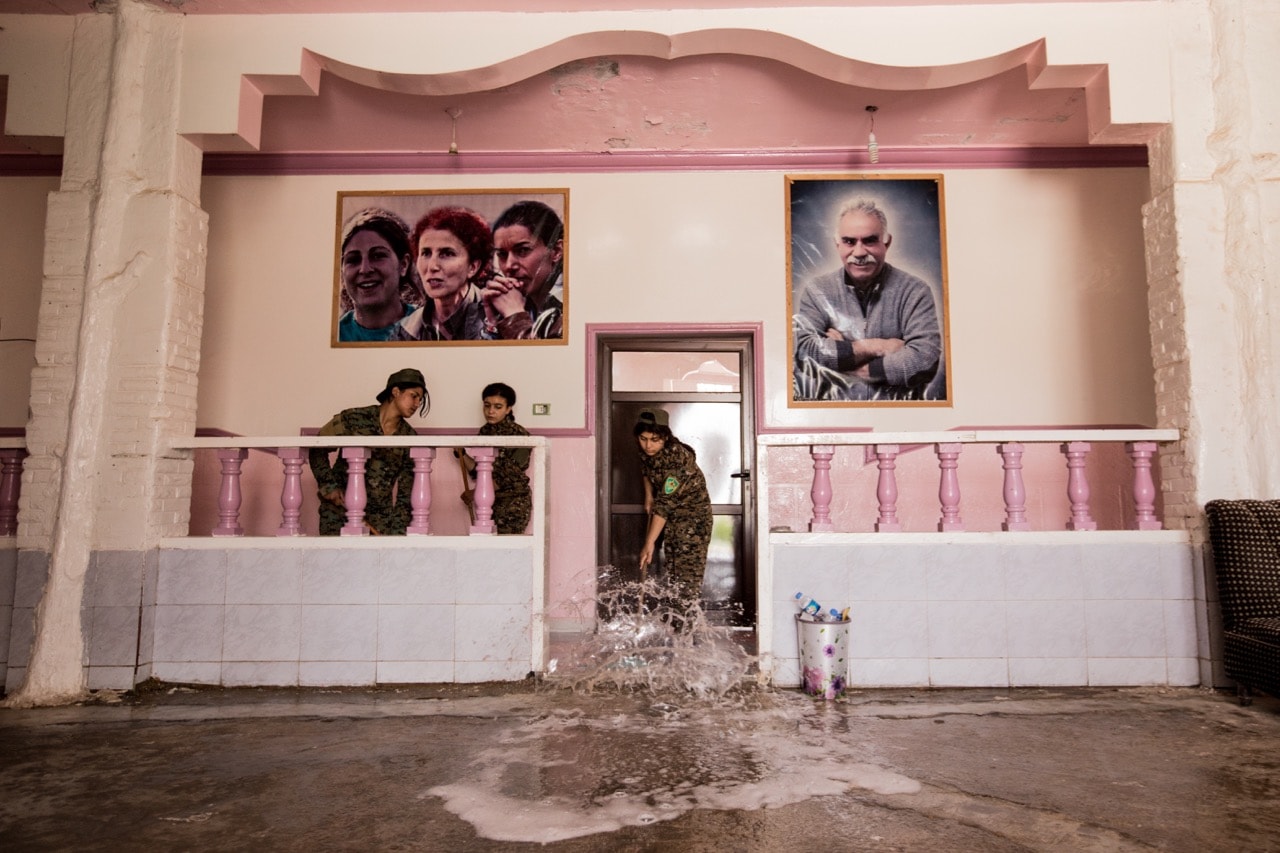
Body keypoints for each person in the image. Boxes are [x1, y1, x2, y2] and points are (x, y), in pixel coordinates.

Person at [792, 197, 942, 401]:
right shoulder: (817, 291)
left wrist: (845, 360)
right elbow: (805, 352)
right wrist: (877, 346)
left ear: (886, 243)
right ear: (838, 244)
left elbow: (924, 360)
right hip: (832, 419)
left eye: (870, 240)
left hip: (901, 418)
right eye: (849, 241)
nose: (860, 252)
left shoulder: (915, 291)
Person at [308, 368, 429, 536]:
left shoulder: (409, 437)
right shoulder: (354, 418)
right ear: (395, 391)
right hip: (338, 513)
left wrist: (397, 534)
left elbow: (406, 493)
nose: (417, 404)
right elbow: (317, 448)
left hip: (379, 520)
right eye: (413, 396)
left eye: (420, 400)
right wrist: (328, 485)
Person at [635, 407, 713, 607]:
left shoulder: (678, 459)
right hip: (672, 519)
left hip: (693, 521)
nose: (648, 446)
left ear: (665, 437)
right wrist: (648, 495)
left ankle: (686, 633)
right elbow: (646, 468)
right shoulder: (648, 452)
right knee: (675, 575)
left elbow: (664, 505)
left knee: (687, 581)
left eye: (654, 440)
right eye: (643, 439)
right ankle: (676, 627)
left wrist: (649, 543)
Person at [394, 206, 492, 341]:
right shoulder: (405, 331)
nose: (432, 266)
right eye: (426, 253)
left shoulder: (497, 317)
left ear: (472, 267)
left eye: (447, 253)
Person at [481, 200, 565, 340]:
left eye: (523, 250)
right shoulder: (516, 302)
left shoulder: (575, 305)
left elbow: (544, 359)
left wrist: (514, 316)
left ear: (556, 251)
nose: (509, 266)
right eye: (502, 254)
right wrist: (494, 324)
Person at [336, 208, 423, 342]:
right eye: (353, 259)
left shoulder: (430, 329)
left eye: (377, 256)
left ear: (403, 265)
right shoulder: (335, 337)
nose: (364, 269)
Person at [457, 382, 532, 534]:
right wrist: (462, 455)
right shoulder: (484, 432)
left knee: (507, 552)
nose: (490, 411)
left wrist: (475, 492)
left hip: (513, 503)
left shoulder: (520, 435)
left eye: (498, 407)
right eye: (487, 405)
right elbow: (479, 472)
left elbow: (509, 477)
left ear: (508, 409)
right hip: (488, 503)